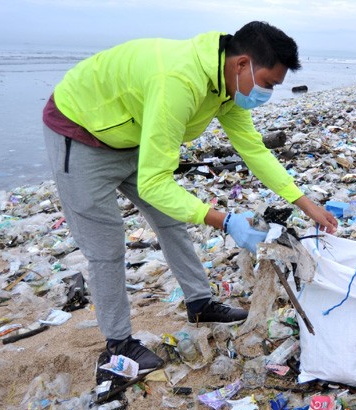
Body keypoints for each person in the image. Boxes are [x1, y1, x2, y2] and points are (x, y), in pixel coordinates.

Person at [42, 21, 338, 372]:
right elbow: (154, 184)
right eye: (269, 83)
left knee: (172, 221)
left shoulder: (226, 85)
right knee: (106, 246)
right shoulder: (179, 83)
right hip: (81, 133)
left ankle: (200, 304)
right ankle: (118, 343)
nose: (268, 93)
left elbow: (254, 150)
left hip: (133, 134)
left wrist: (305, 203)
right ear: (242, 64)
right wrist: (225, 221)